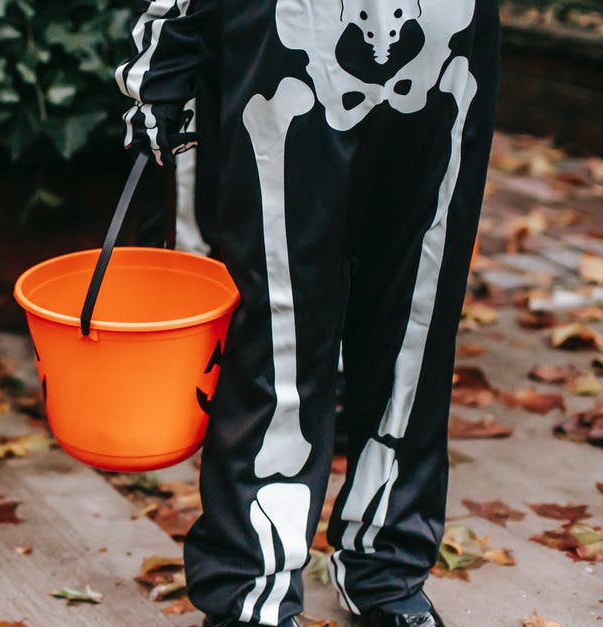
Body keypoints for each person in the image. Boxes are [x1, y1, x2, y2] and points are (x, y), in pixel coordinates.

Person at [114, 1, 499, 626]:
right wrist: (160, 62)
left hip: (447, 53)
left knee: (417, 325)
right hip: (287, 44)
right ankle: (253, 584)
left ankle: (387, 562)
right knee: (277, 328)